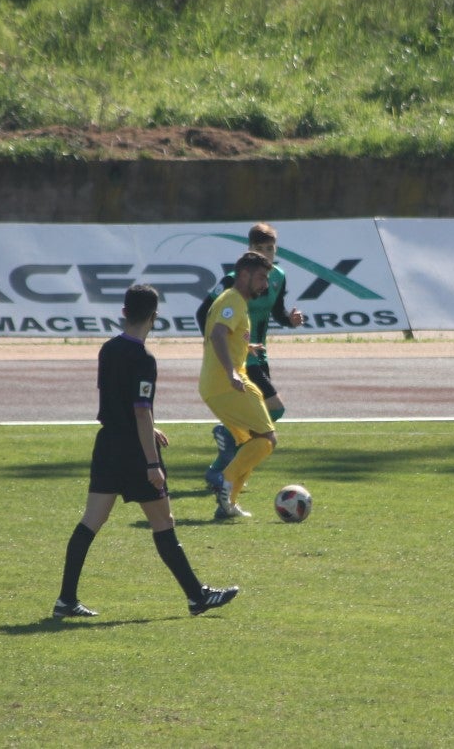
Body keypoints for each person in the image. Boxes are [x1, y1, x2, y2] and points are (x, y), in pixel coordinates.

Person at [53, 284, 239, 618]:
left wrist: (149, 427)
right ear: (154, 317)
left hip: (107, 444)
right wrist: (152, 462)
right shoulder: (143, 358)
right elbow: (140, 410)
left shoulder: (108, 349)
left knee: (91, 521)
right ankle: (197, 597)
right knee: (163, 522)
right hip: (135, 452)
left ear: (124, 312)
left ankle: (66, 600)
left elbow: (118, 402)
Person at [196, 222, 305, 491]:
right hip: (242, 358)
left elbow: (276, 311)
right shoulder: (234, 280)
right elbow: (203, 312)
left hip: (258, 354)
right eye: (260, 249)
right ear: (250, 249)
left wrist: (290, 320)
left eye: (271, 249)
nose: (266, 254)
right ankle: (227, 445)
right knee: (275, 409)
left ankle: (223, 465)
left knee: (266, 414)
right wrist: (214, 344)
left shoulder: (276, 277)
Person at [199, 251, 279, 519]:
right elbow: (218, 334)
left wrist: (246, 346)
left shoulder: (234, 301)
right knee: (267, 438)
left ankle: (227, 505)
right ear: (244, 275)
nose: (265, 284)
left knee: (254, 442)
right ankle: (224, 479)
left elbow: (227, 335)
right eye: (261, 277)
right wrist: (232, 372)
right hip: (228, 384)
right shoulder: (232, 299)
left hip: (215, 386)